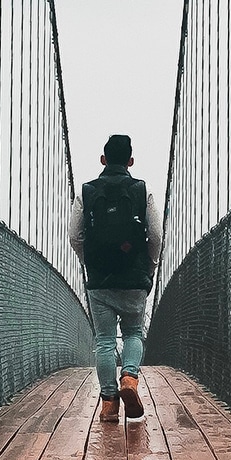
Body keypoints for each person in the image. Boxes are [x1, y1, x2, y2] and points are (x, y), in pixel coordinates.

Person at [70, 134, 163, 423]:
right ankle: (130, 380)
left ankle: (109, 404)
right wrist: (149, 266)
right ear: (131, 162)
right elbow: (157, 235)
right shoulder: (141, 191)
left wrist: (91, 263)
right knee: (134, 333)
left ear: (103, 160)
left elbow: (74, 235)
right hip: (134, 277)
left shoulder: (86, 192)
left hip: (100, 281)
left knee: (105, 341)